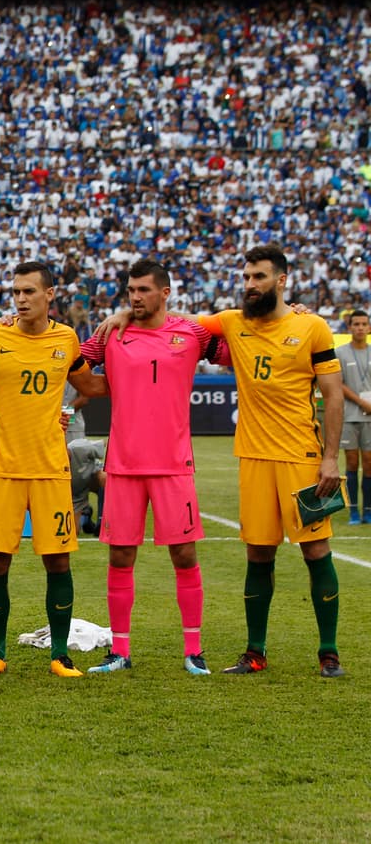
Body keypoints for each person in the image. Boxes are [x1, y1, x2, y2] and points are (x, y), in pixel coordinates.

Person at [104, 244, 345, 677]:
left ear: (282, 281)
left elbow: (331, 395)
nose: (251, 285)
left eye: (260, 277)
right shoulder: (231, 323)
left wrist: (330, 458)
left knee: (315, 549)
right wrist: (127, 314)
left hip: (302, 456)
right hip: (252, 456)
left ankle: (329, 652)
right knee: (258, 554)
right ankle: (255, 652)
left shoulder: (313, 328)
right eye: (247, 278)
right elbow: (167, 321)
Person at [78, 259, 217, 676]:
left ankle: (193, 650)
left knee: (184, 553)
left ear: (165, 293)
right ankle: (119, 651)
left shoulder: (191, 333)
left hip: (174, 465)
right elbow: (71, 363)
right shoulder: (111, 334)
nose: (135, 297)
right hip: (123, 465)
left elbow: (241, 339)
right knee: (121, 556)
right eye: (130, 290)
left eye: (142, 290)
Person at [0, 261, 104, 678]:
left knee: (58, 563)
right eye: (16, 292)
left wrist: (132, 359)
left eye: (29, 291)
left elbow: (91, 387)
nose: (21, 299)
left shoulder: (67, 339)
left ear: (50, 295)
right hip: (3, 470)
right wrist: (0, 403)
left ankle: (60, 654)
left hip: (49, 470)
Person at [335, 309, 371, 524]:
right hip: (349, 414)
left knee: (368, 462)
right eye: (355, 324)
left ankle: (368, 509)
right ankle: (353, 511)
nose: (359, 328)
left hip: (370, 415)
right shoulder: (340, 352)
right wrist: (360, 402)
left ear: (368, 327)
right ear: (349, 328)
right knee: (351, 461)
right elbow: (337, 383)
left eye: (363, 324)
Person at [68, 438, 106, 536]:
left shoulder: (80, 447)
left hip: (93, 478)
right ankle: (86, 516)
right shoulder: (50, 463)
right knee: (72, 532)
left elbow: (104, 444)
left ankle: (102, 520)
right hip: (76, 493)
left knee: (105, 478)